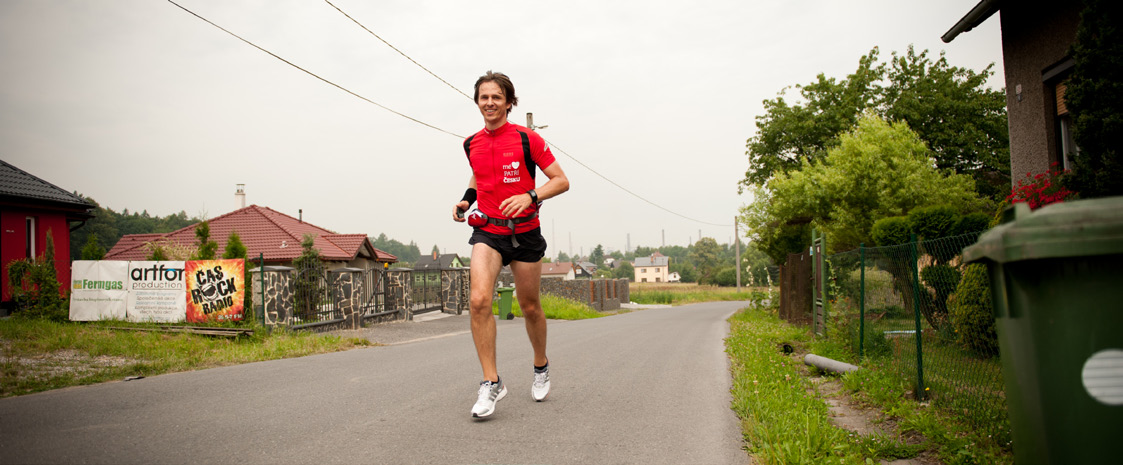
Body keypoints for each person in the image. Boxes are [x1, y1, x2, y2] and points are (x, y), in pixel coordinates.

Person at [453, 71, 569, 419]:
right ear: (478, 102)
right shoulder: (470, 142)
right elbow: (480, 173)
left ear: (508, 102)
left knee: (529, 306)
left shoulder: (526, 139)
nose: (490, 103)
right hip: (488, 230)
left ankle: (540, 365)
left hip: (526, 232)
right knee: (478, 301)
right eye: (483, 97)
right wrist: (465, 199)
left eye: (496, 97)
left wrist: (530, 195)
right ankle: (491, 383)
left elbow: (561, 180)